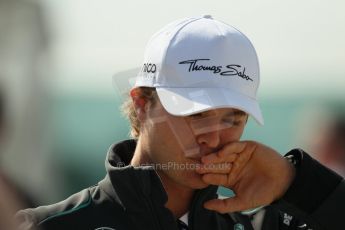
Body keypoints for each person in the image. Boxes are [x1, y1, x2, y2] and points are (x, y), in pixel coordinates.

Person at [17, 15, 345, 230]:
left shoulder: (265, 225)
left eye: (233, 117)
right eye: (196, 114)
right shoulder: (47, 226)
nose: (213, 138)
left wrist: (295, 182)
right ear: (142, 104)